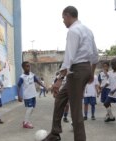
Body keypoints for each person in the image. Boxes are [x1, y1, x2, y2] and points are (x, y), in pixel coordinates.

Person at [43, 6, 99, 141]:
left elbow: (69, 58)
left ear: (68, 15)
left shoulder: (73, 31)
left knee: (75, 110)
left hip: (76, 71)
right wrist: (91, 73)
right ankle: (55, 133)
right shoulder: (88, 30)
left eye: (63, 18)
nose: (63, 21)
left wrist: (59, 79)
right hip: (85, 69)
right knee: (60, 98)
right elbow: (95, 55)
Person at [17, 61, 47, 129]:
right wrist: (19, 95)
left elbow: (37, 81)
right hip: (27, 96)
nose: (29, 67)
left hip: (33, 94)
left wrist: (44, 86)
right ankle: (25, 123)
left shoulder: (32, 74)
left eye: (29, 66)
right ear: (23, 67)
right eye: (27, 66)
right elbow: (18, 86)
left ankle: (26, 120)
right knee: (29, 108)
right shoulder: (22, 77)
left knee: (32, 108)